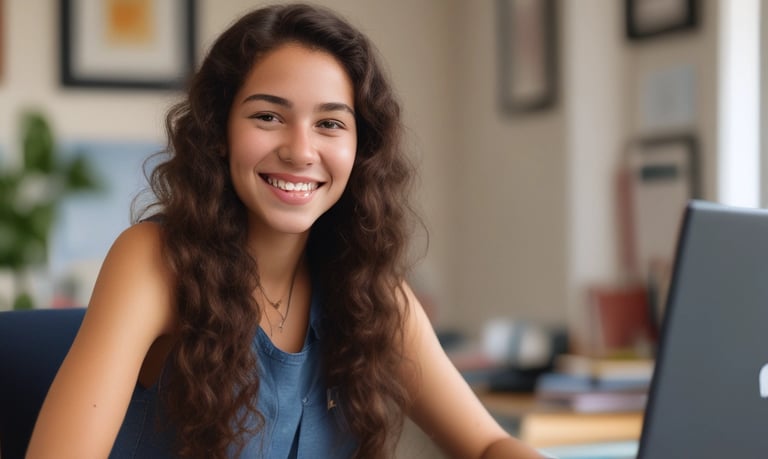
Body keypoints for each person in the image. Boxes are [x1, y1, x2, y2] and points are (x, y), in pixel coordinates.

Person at [26, 4, 545, 458]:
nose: (300, 151)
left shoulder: (369, 291)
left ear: (359, 149)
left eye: (330, 123)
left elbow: (485, 444)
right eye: (269, 116)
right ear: (220, 132)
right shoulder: (153, 261)